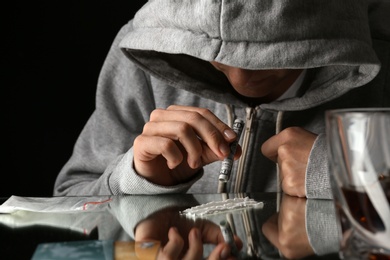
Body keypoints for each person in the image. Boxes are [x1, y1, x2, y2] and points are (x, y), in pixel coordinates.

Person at [54, 0, 389, 199]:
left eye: (273, 53)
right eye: (216, 52)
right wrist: (138, 180)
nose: (243, 78)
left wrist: (346, 172)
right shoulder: (150, 51)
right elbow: (68, 202)